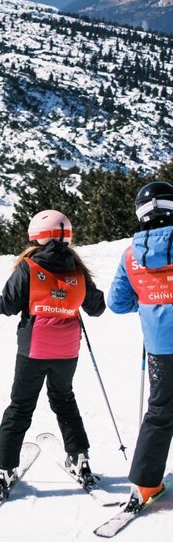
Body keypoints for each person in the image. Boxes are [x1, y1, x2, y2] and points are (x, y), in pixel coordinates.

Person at [0, 209, 106, 497]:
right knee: (64, 401)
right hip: (67, 350)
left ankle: (4, 470)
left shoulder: (29, 267)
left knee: (20, 407)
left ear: (36, 237)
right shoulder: (77, 269)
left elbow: (6, 305)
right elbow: (96, 308)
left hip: (34, 348)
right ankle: (80, 460)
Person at [108, 181, 173, 511]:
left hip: (160, 346)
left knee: (160, 413)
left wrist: (150, 302)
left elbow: (118, 303)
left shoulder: (131, 253)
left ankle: (147, 484)